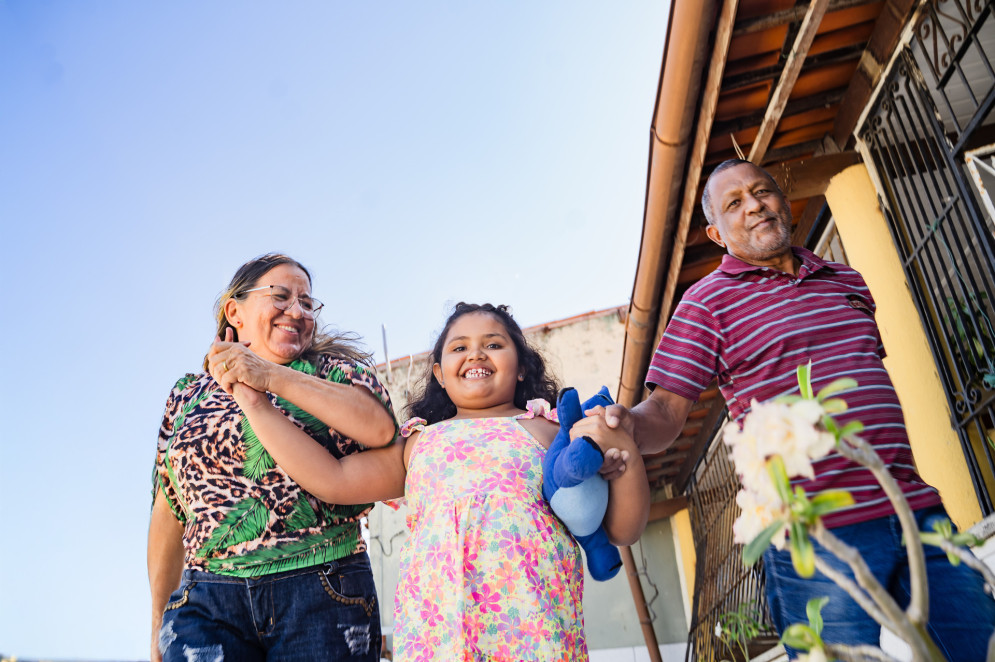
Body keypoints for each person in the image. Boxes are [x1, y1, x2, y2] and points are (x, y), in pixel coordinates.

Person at [576, 159, 995, 660]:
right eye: (734, 203)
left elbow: (866, 381)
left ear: (783, 200)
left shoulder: (846, 280)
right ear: (716, 233)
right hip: (811, 528)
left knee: (983, 644)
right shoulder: (707, 302)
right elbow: (665, 411)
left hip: (912, 506)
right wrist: (624, 428)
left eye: (762, 192)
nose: (754, 205)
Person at [244, 302, 650, 661]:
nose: (476, 352)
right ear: (438, 373)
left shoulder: (552, 431)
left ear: (522, 365)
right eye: (459, 347)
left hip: (535, 630)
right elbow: (333, 479)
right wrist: (257, 404)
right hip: (436, 639)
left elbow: (622, 529)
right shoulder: (418, 441)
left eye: (493, 344)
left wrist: (625, 457)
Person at [148, 253, 398, 662]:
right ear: (235, 311)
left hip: (322, 587)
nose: (296, 311)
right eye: (281, 296)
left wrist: (267, 375)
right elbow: (169, 509)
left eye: (306, 303)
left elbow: (379, 427)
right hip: (206, 599)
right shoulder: (187, 394)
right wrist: (158, 621)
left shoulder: (332, 371)